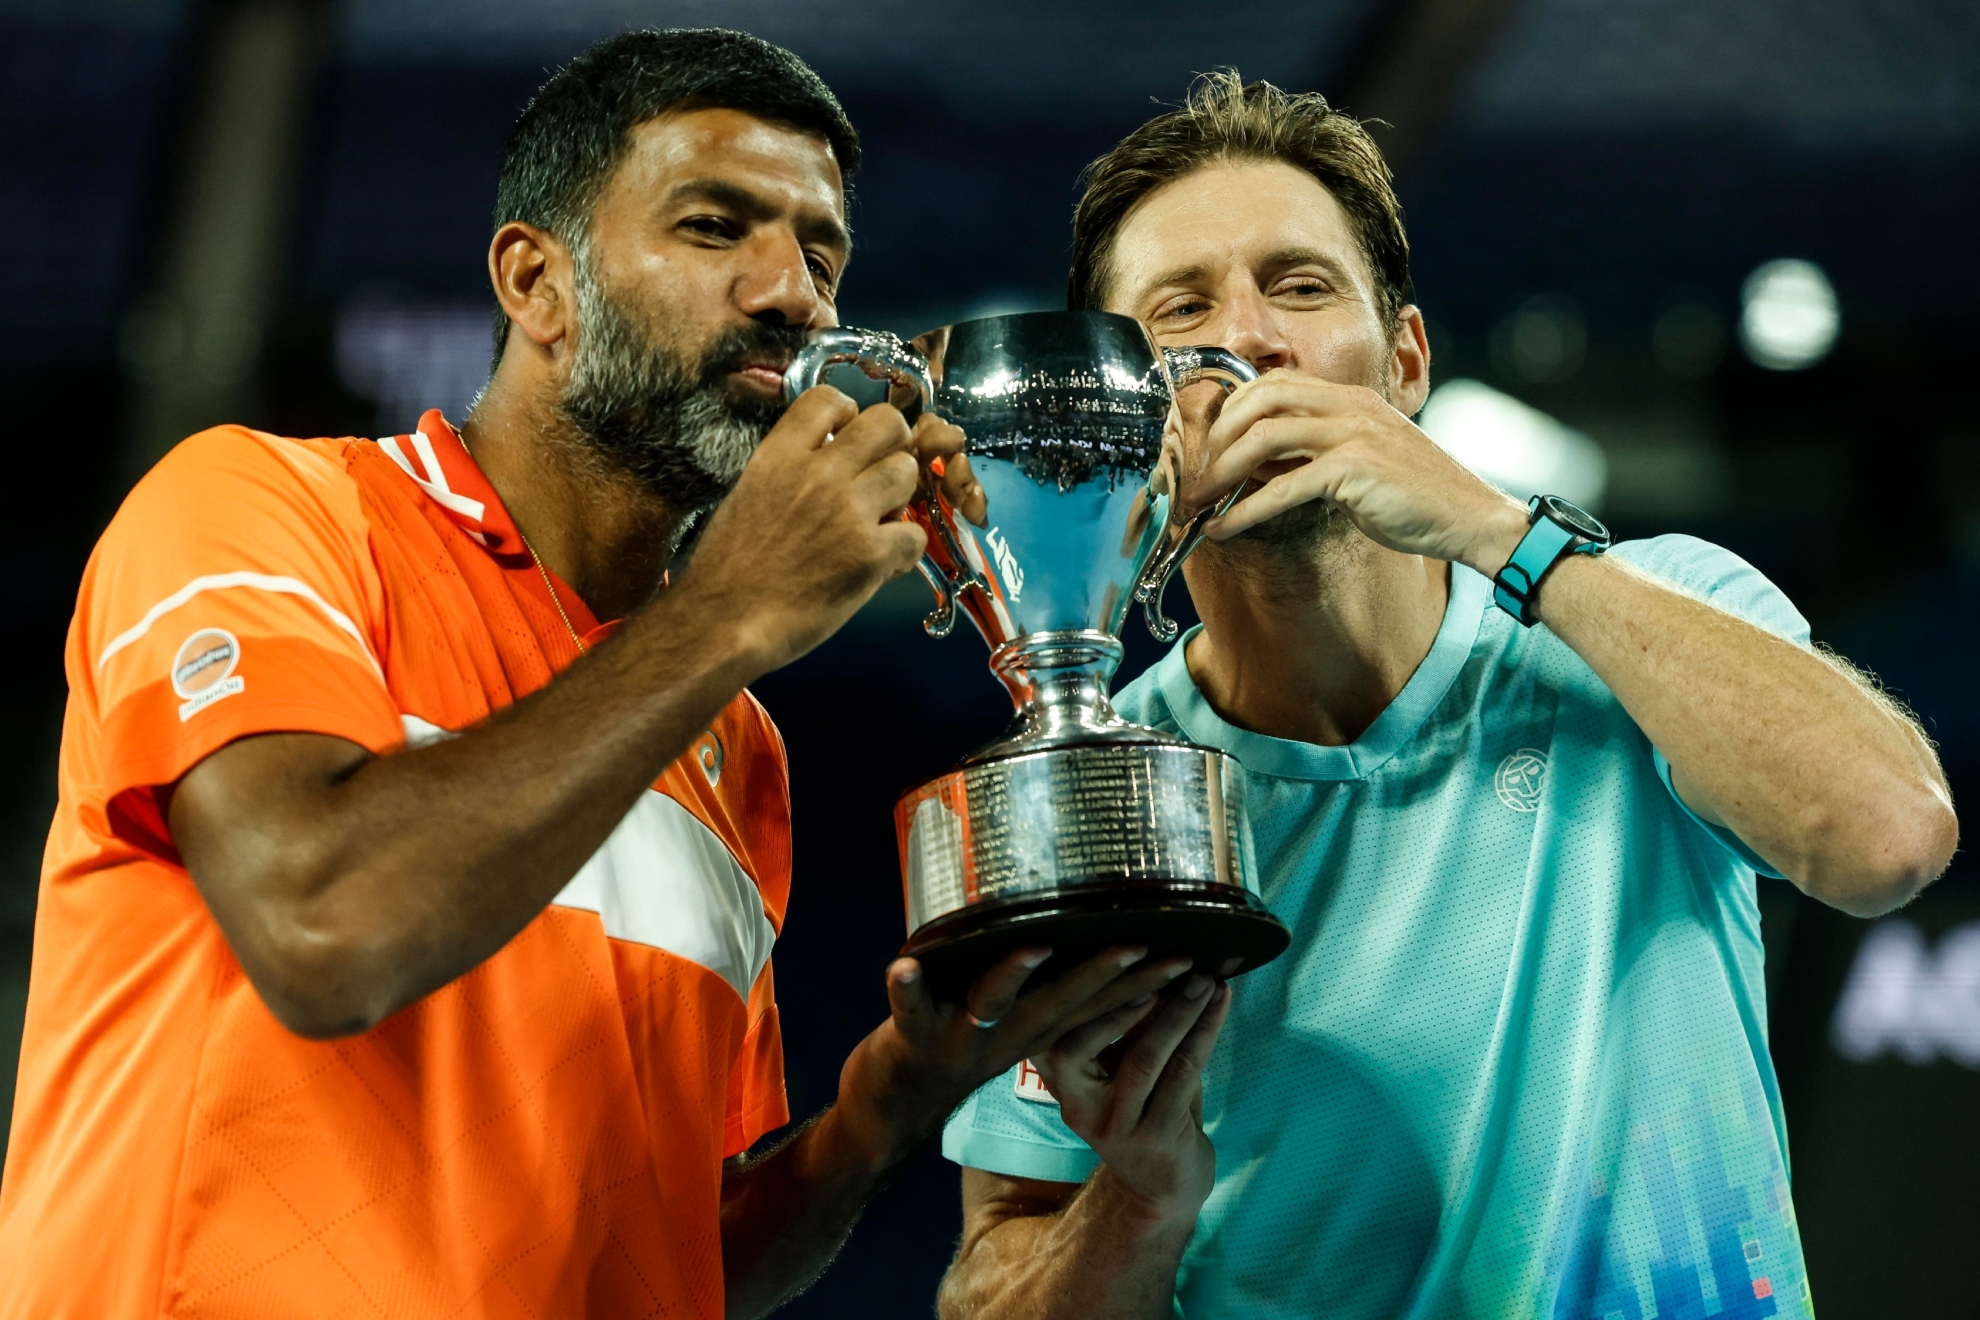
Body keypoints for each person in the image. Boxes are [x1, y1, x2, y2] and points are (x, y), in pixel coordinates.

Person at [0, 29, 1182, 1320]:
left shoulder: (734, 740)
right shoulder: (261, 511)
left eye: (820, 252)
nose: (793, 294)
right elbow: (321, 926)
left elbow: (676, 1255)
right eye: (715, 226)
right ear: (534, 283)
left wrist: (886, 1104)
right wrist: (727, 611)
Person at [937, 72, 1959, 1320]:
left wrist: (1498, 531)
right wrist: (1140, 1200)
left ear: (1405, 361)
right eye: (1182, 306)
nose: (1250, 340)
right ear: (1125, 405)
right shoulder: (1098, 788)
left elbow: (1890, 840)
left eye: (1301, 287)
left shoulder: (1649, 615)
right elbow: (997, 1287)